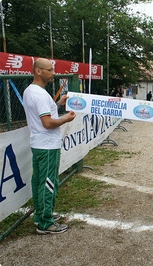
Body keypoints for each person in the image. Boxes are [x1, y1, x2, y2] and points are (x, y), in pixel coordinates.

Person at [23, 58, 76, 234]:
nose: (53, 73)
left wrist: (58, 104)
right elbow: (47, 123)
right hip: (47, 146)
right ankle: (46, 222)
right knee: (48, 182)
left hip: (39, 144)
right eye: (50, 70)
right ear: (38, 71)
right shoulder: (39, 94)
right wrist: (65, 119)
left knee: (39, 181)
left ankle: (40, 216)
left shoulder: (31, 91)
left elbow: (44, 113)